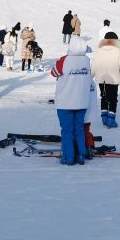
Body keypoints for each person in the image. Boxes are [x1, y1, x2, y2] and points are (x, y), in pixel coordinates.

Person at [51, 36, 94, 165]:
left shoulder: (65, 60)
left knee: (67, 131)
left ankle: (68, 157)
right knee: (79, 129)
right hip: (81, 101)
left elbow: (54, 72)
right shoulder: (86, 60)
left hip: (65, 101)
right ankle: (81, 155)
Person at [92, 31, 120, 127]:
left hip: (101, 79)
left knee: (103, 97)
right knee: (113, 99)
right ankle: (111, 120)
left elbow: (94, 65)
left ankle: (104, 118)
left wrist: (89, 77)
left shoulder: (99, 50)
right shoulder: (118, 51)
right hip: (113, 79)